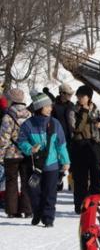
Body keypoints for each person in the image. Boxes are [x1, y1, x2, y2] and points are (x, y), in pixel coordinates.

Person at [17, 92, 70, 227]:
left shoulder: (55, 123)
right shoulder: (28, 125)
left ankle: (48, 218)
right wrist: (30, 148)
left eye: (50, 106)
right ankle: (37, 213)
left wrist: (65, 161)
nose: (50, 108)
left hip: (52, 165)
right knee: (34, 193)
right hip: (34, 165)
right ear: (39, 107)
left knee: (50, 194)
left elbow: (61, 144)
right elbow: (21, 141)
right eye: (47, 106)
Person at [68, 85, 100, 213]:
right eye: (78, 95)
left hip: (95, 145)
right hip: (79, 145)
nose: (79, 98)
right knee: (80, 178)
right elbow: (76, 128)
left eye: (82, 96)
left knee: (97, 176)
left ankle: (99, 204)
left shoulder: (95, 109)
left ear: (89, 97)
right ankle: (80, 206)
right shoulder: (73, 110)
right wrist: (84, 112)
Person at [0, 88, 33, 218]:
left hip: (11, 154)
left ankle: (12, 210)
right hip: (26, 153)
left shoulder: (8, 116)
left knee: (11, 181)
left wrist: (1, 154)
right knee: (26, 181)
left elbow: (4, 138)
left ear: (11, 100)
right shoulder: (30, 115)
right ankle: (28, 209)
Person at [50, 82, 76, 191]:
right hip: (58, 137)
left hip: (71, 137)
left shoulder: (72, 105)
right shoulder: (53, 106)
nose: (70, 96)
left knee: (72, 161)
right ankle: (58, 182)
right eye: (68, 94)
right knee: (59, 161)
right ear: (62, 93)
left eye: (71, 94)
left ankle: (72, 183)